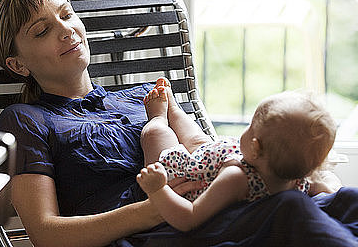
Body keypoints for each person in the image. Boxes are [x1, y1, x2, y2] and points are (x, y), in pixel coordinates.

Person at [0, 0, 358, 247]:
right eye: (42, 30)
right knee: (291, 214)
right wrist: (155, 207)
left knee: (348, 199)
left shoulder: (142, 98)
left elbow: (201, 147)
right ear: (18, 65)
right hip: (155, 233)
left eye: (66, 15)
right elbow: (44, 233)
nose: (66, 30)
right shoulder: (26, 120)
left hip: (214, 208)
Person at [137, 80, 337, 231]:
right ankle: (173, 108)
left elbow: (189, 217)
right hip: (214, 156)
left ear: (255, 146)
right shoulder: (299, 178)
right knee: (198, 140)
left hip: (187, 173)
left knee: (155, 135)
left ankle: (158, 116)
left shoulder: (236, 178)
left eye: (250, 127)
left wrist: (158, 189)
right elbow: (332, 194)